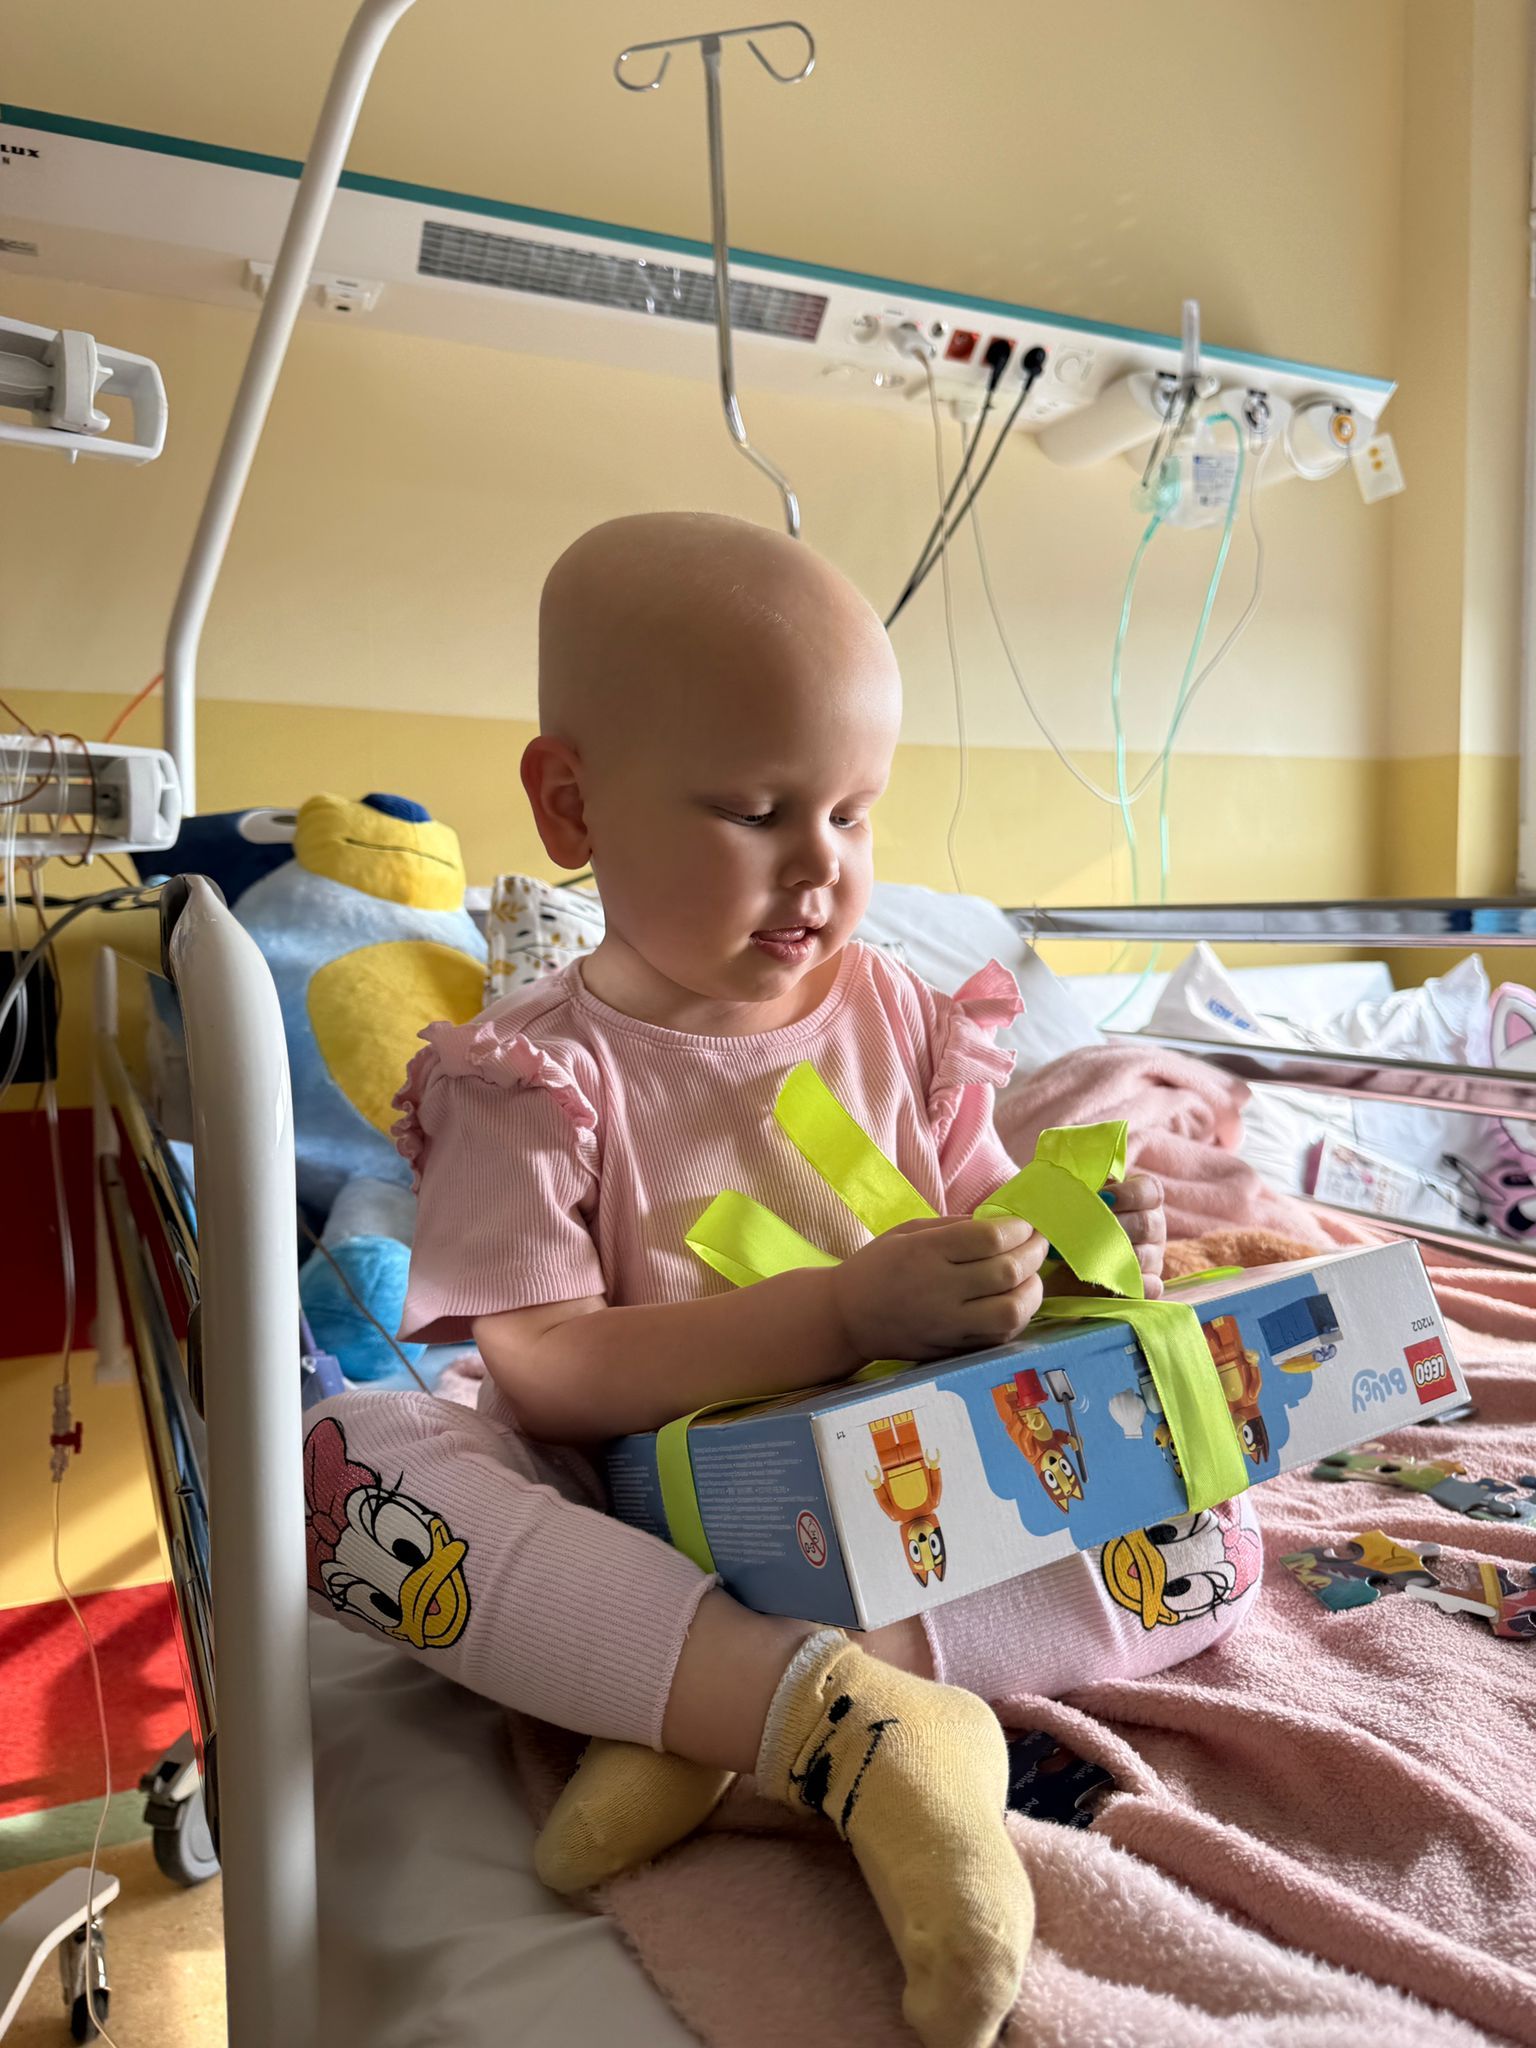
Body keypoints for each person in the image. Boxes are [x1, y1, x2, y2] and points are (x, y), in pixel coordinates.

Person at [304, 512, 1259, 2048]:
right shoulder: (530, 1076)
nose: (822, 864)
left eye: (855, 814)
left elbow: (977, 1231)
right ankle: (824, 1718)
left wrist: (1071, 1248)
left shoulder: (902, 1015)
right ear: (572, 804)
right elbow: (542, 1367)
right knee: (352, 1474)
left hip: (904, 1493)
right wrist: (839, 1312)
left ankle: (730, 1710)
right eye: (757, 811)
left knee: (1212, 1525)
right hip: (635, 1501)